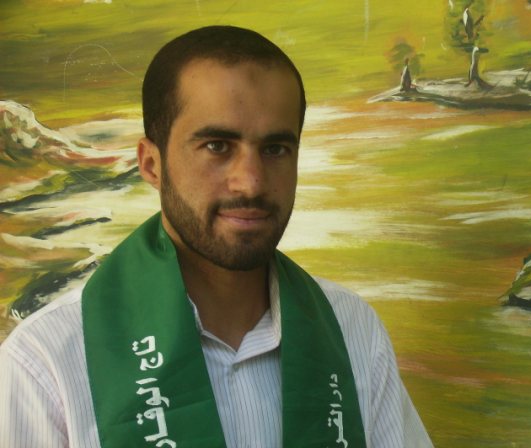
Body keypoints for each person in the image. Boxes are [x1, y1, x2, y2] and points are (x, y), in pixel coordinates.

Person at [0, 26, 433, 447]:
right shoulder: (47, 361)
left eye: (275, 149)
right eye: (217, 146)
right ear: (151, 164)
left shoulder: (352, 330)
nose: (251, 182)